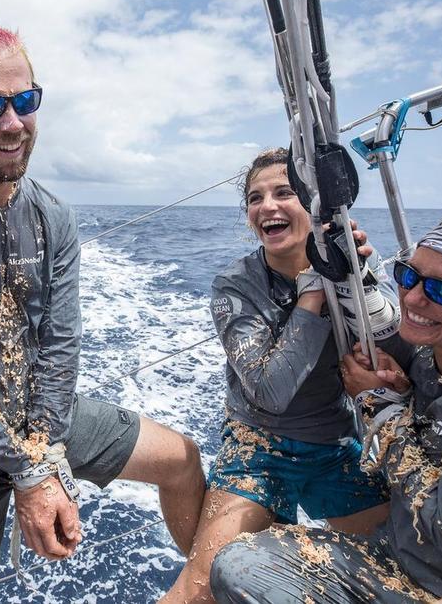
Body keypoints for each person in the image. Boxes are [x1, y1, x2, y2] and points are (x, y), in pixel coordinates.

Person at [0, 26, 207, 604]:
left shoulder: (55, 215)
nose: (11, 122)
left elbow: (59, 341)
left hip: (44, 418)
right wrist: (30, 473)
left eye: (24, 100)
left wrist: (45, 451)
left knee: (182, 460)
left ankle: (202, 593)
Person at [210, 208, 442, 602]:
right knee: (241, 564)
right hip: (408, 554)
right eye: (408, 275)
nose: (413, 297)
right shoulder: (433, 356)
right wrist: (356, 274)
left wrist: (379, 406)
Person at [162, 148, 399, 603]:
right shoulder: (235, 286)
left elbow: (398, 351)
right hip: (258, 448)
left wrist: (362, 280)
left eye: (284, 192)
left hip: (334, 449)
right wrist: (313, 289)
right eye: (255, 198)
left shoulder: (354, 267)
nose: (266, 206)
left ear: (313, 208)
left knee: (403, 568)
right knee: (195, 592)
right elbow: (270, 391)